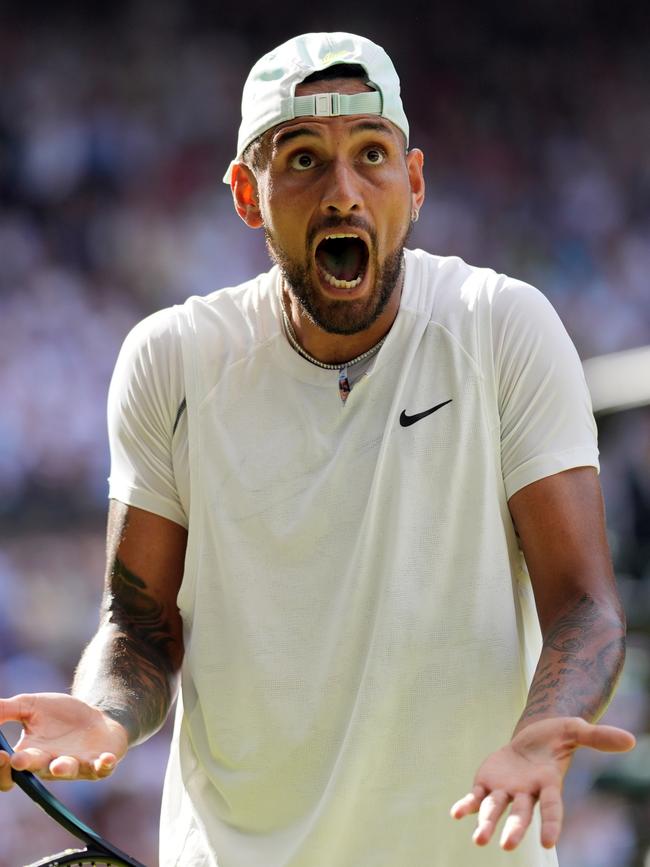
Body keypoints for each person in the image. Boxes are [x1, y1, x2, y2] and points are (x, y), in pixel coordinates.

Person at [0, 31, 636, 867]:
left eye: (371, 155)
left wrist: (537, 733)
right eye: (301, 159)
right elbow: (139, 626)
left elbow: (585, 605)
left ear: (413, 183)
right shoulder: (174, 358)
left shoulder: (501, 328)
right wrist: (108, 712)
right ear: (246, 193)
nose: (343, 191)